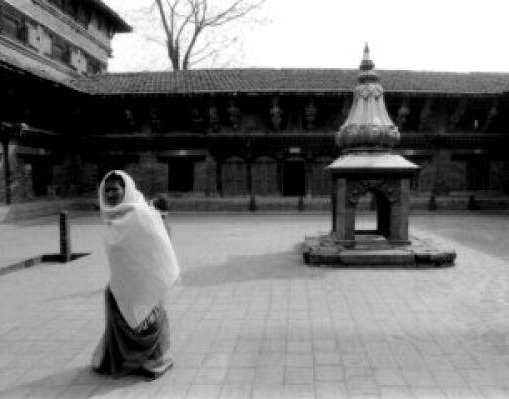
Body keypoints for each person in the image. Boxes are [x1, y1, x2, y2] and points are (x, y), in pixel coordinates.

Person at [92, 170, 180, 379]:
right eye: (107, 190)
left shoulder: (141, 213)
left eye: (115, 189)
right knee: (117, 309)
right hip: (122, 282)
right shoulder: (113, 216)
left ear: (126, 189)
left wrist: (151, 277)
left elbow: (159, 245)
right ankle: (125, 361)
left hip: (145, 282)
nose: (110, 194)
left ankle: (153, 360)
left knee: (148, 320)